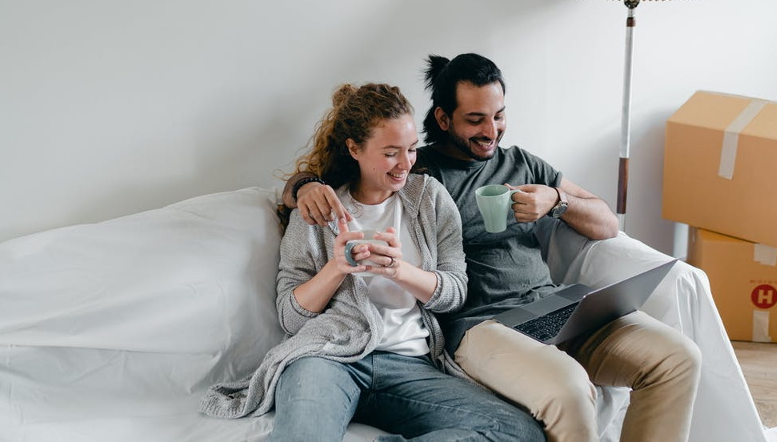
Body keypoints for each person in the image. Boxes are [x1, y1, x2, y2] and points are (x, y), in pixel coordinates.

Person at [284, 55, 702, 442]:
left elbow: (607, 223)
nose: (490, 130)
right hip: (483, 326)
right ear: (444, 119)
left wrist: (557, 201)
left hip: (553, 308)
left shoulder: (522, 163)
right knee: (569, 389)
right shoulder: (420, 174)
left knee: (678, 357)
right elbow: (336, 179)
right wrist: (304, 187)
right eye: (475, 119)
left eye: (498, 116)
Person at [200, 83, 545, 442]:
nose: (405, 164)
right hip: (328, 358)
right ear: (354, 149)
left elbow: (455, 293)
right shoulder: (318, 208)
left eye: (411, 150)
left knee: (518, 431)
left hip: (411, 365)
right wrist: (336, 269)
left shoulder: (429, 199)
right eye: (391, 153)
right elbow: (291, 317)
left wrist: (400, 271)